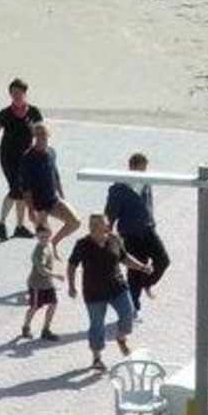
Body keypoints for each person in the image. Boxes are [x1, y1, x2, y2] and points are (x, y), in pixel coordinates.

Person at [66, 212, 152, 373]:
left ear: (106, 225)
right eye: (92, 224)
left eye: (98, 224)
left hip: (117, 287)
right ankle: (97, 358)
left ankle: (121, 337)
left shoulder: (114, 240)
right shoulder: (82, 244)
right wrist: (71, 286)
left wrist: (142, 267)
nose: (93, 227)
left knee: (129, 314)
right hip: (94, 292)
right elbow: (72, 265)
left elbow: (125, 258)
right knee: (97, 325)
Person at [107, 155, 171, 316]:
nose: (144, 172)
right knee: (135, 270)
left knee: (163, 261)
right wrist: (108, 235)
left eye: (145, 169)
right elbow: (110, 214)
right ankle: (133, 307)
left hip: (148, 230)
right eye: (141, 168)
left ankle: (146, 283)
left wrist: (152, 221)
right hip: (130, 234)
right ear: (132, 167)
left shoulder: (146, 182)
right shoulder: (119, 188)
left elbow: (148, 203)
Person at [0, 78, 46, 240]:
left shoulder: (34, 112)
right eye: (13, 93)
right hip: (8, 156)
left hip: (27, 157)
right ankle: (1, 222)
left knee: (23, 191)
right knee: (16, 189)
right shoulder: (4, 113)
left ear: (25, 93)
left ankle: (19, 226)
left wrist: (38, 142)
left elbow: (42, 133)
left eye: (19, 92)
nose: (16, 96)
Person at [20, 122, 80, 252]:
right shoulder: (28, 158)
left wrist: (61, 194)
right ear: (34, 136)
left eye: (44, 134)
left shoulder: (51, 152)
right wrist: (30, 209)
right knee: (43, 236)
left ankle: (54, 242)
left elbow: (55, 174)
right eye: (38, 135)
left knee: (75, 222)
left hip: (53, 199)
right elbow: (26, 188)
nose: (41, 137)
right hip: (38, 204)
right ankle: (44, 257)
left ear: (48, 135)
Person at [19, 232, 61, 341]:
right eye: (42, 237)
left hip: (48, 283)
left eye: (47, 236)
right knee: (35, 307)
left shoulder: (48, 245)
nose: (45, 239)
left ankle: (46, 330)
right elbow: (42, 270)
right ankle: (26, 327)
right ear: (37, 236)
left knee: (53, 304)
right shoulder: (38, 252)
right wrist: (56, 275)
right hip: (37, 284)